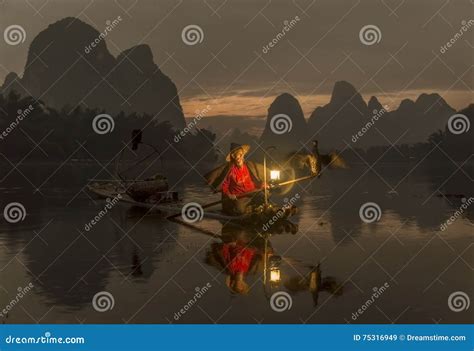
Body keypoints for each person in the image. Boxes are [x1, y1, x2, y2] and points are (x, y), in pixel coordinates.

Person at [205, 143, 266, 215]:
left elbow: (256, 180)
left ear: (243, 155)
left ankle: (259, 211)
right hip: (239, 197)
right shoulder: (230, 170)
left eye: (240, 155)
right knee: (240, 210)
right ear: (232, 157)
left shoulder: (249, 166)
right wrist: (229, 195)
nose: (238, 158)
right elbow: (225, 186)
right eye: (235, 155)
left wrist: (263, 184)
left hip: (252, 193)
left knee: (264, 196)